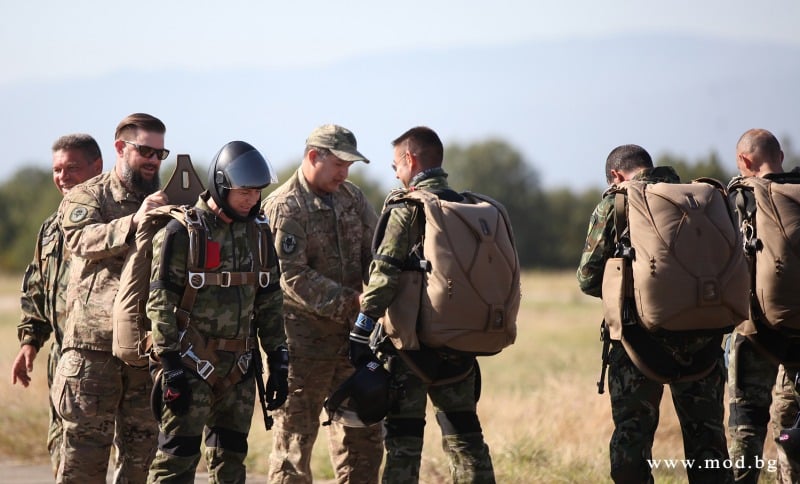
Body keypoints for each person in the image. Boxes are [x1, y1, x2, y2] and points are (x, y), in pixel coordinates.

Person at [576, 144, 732, 483]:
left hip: (638, 341)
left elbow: (588, 279)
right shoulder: (703, 198)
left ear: (616, 175)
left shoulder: (617, 202)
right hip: (705, 336)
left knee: (633, 434)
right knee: (708, 438)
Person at [350, 126, 496, 483]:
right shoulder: (464, 205)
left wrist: (362, 325)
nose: (396, 174)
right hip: (460, 345)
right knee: (465, 438)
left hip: (410, 350)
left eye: (395, 166)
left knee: (403, 442)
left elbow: (384, 272)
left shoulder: (408, 207)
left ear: (410, 161)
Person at [146, 140, 288, 482]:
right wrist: (170, 366)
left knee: (231, 460)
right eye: (244, 191)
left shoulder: (259, 233)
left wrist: (279, 361)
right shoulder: (183, 232)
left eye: (257, 192)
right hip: (190, 365)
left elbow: (269, 300)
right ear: (221, 183)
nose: (252, 199)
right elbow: (160, 302)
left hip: (239, 370)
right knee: (176, 461)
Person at [263, 124, 382, 483]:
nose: (344, 173)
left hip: (353, 346)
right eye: (339, 164)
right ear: (314, 156)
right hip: (302, 350)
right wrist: (354, 302)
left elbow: (376, 255)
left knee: (363, 442)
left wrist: (381, 290)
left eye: (349, 166)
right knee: (293, 449)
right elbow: (291, 276)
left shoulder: (353, 198)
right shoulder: (285, 207)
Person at [56, 113, 170, 483]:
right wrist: (135, 222)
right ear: (121, 148)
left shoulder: (164, 201)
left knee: (141, 463)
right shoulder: (87, 195)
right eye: (146, 151)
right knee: (83, 466)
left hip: (143, 353)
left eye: (160, 153)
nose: (154, 160)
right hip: (92, 353)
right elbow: (80, 240)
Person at [11, 133, 103, 475]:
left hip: (108, 362)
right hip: (63, 361)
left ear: (97, 167)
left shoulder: (118, 221)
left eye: (72, 168)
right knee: (65, 455)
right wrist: (29, 342)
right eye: (57, 169)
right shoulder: (51, 228)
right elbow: (37, 289)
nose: (63, 177)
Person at [727, 128, 800, 483]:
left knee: (746, 422)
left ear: (744, 161)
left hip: (755, 331)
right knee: (792, 422)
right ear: (781, 156)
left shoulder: (740, 197)